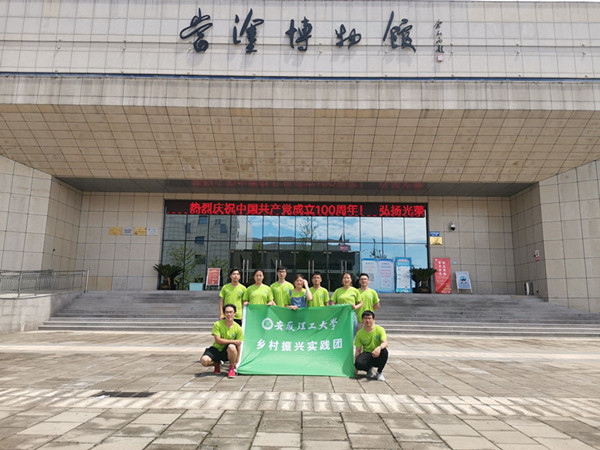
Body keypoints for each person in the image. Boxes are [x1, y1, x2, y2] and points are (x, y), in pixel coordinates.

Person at [201, 304, 244, 378]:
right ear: (224, 313)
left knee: (232, 347)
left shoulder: (238, 328)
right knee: (204, 361)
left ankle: (231, 368)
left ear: (235, 313)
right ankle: (216, 364)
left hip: (228, 352)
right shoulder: (217, 324)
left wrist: (236, 361)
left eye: (231, 312)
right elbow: (218, 340)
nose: (229, 314)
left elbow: (239, 345)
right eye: (227, 312)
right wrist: (233, 341)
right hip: (216, 349)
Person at [354, 310, 388, 381]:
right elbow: (358, 350)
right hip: (367, 354)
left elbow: (385, 343)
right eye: (365, 318)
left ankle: (379, 373)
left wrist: (379, 348)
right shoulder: (360, 333)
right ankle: (368, 369)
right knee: (358, 363)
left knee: (385, 351)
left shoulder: (380, 329)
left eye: (369, 318)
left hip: (378, 353)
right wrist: (355, 369)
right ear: (362, 320)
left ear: (373, 319)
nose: (367, 320)